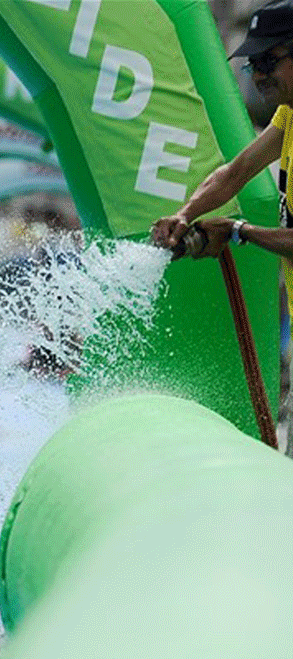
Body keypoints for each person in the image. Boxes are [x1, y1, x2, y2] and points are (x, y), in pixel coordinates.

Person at [150, 0, 293, 453]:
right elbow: (233, 173)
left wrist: (237, 231)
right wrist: (185, 214)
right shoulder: (289, 117)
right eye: (253, 64)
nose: (259, 75)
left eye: (269, 60)